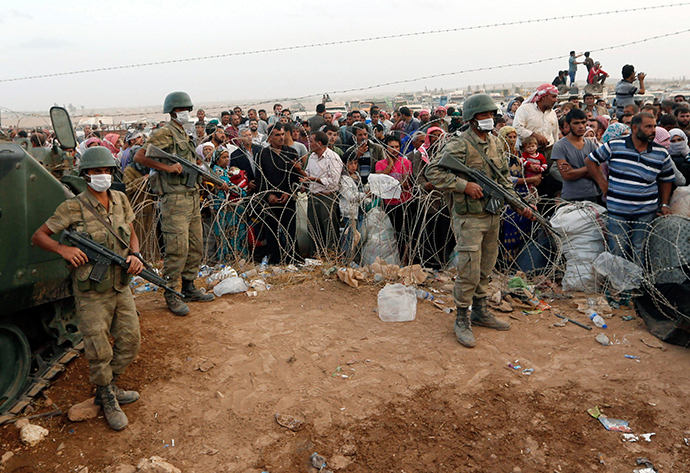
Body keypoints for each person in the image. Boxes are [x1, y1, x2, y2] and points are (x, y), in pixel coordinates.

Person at [31, 147, 143, 431]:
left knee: (131, 341)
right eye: (95, 172)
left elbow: (130, 231)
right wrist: (63, 249)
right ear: (85, 175)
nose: (101, 176)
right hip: (91, 290)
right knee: (98, 348)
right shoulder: (74, 206)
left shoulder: (120, 199)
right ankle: (105, 396)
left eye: (106, 171)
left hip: (121, 284)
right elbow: (39, 236)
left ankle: (109, 385)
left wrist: (135, 255)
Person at [425, 94, 534, 348]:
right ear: (472, 119)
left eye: (490, 115)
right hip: (469, 217)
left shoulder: (496, 143)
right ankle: (462, 317)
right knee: (469, 269)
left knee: (486, 265)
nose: (489, 119)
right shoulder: (459, 144)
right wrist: (464, 186)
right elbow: (433, 171)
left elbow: (504, 177)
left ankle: (480, 309)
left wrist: (518, 203)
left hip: (492, 215)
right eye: (483, 115)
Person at [134, 91, 223, 316]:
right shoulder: (165, 133)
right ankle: (171, 292)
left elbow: (192, 162)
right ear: (174, 111)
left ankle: (189, 286)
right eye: (183, 109)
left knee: (195, 245)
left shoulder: (184, 133)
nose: (186, 113)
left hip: (191, 196)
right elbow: (140, 157)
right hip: (174, 199)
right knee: (177, 248)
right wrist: (167, 168)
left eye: (187, 110)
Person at [586, 113, 674, 263]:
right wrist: (603, 184)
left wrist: (664, 204)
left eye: (654, 126)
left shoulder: (661, 152)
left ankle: (637, 282)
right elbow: (590, 161)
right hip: (618, 210)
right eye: (648, 127)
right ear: (634, 128)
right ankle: (619, 284)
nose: (653, 130)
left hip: (645, 211)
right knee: (618, 248)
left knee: (639, 249)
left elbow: (666, 179)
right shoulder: (615, 145)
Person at [255, 123, 301, 264]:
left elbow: (296, 177)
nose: (281, 138)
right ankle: (274, 260)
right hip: (270, 200)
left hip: (288, 199)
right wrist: (268, 195)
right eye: (277, 135)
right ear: (270, 138)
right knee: (271, 232)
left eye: (282, 134)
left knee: (290, 231)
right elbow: (260, 178)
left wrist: (289, 193)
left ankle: (292, 259)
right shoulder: (262, 154)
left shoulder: (291, 153)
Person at [296, 131, 343, 257]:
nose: (309, 144)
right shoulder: (312, 157)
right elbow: (308, 174)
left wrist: (313, 179)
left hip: (327, 197)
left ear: (319, 143)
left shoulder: (333, 158)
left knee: (329, 230)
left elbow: (333, 182)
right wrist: (301, 174)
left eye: (311, 141)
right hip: (313, 196)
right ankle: (316, 257)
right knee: (314, 230)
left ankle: (332, 257)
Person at [513, 84, 560, 196]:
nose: (555, 100)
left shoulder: (552, 113)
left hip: (548, 153)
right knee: (531, 183)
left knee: (548, 182)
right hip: (527, 154)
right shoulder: (525, 109)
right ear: (543, 97)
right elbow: (517, 128)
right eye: (553, 97)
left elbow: (555, 134)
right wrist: (535, 136)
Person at [375, 134, 413, 263]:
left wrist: (392, 186)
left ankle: (405, 261)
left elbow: (406, 183)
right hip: (389, 204)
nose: (394, 150)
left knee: (405, 234)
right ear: (386, 148)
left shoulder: (406, 163)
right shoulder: (380, 164)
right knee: (393, 234)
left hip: (404, 202)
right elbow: (381, 181)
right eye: (391, 147)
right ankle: (395, 260)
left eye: (397, 147)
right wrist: (390, 164)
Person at [553, 109, 600, 202]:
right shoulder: (560, 146)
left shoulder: (590, 144)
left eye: (583, 122)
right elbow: (567, 175)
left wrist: (575, 171)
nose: (581, 126)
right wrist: (590, 167)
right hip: (570, 197)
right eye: (576, 123)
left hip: (592, 195)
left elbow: (599, 171)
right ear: (568, 124)